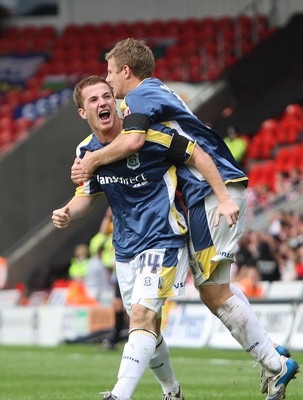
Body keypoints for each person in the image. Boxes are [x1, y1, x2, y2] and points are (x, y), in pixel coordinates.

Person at [71, 39, 299, 400]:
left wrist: (90, 162)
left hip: (212, 190)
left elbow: (132, 143)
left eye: (112, 72)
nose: (109, 81)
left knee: (213, 292)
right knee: (214, 287)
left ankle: (274, 363)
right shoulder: (155, 92)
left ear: (127, 72)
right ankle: (271, 354)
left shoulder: (141, 97)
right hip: (204, 194)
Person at [53, 75, 196, 400]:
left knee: (141, 318)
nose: (103, 102)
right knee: (148, 326)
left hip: (163, 238)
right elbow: (87, 195)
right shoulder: (86, 149)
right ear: (82, 112)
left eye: (107, 96)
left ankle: (119, 394)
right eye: (94, 100)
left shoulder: (141, 134)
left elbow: (192, 153)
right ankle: (172, 392)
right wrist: (66, 211)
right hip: (125, 248)